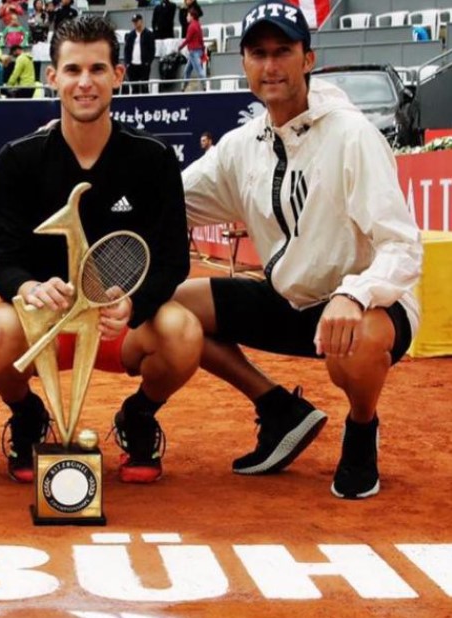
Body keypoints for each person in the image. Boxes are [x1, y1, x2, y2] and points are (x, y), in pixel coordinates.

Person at [176, 0, 422, 500]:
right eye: (258, 53)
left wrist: (354, 294)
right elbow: (168, 200)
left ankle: (361, 427)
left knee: (352, 349)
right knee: (172, 309)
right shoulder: (241, 145)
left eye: (283, 51)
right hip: (291, 302)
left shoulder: (353, 135)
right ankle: (278, 409)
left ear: (307, 59)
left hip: (369, 308)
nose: (271, 66)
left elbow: (402, 245)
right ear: (243, 64)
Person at [0, 16, 202, 484]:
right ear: (52, 76)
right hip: (47, 325)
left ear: (118, 76)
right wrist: (29, 287)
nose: (85, 82)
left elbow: (172, 260)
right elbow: (4, 259)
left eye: (98, 69)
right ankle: (29, 417)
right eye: (73, 69)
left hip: (116, 326)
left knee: (183, 333)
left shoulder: (153, 158)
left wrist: (133, 304)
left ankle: (138, 416)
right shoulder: (18, 159)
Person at [124, 14, 155, 95]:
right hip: (132, 65)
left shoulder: (148, 34)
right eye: (134, 22)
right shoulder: (131, 35)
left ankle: (145, 105)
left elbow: (152, 50)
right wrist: (127, 63)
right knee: (134, 88)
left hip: (144, 65)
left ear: (141, 21)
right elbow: (127, 50)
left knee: (145, 86)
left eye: (136, 21)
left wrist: (148, 62)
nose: (135, 24)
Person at [178, 7, 205, 90]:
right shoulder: (198, 24)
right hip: (198, 50)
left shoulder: (191, 26)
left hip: (193, 51)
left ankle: (205, 86)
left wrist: (180, 47)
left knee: (199, 70)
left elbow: (188, 39)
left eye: (188, 15)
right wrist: (203, 49)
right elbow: (201, 38)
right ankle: (184, 87)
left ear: (192, 16)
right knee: (187, 71)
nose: (186, 17)